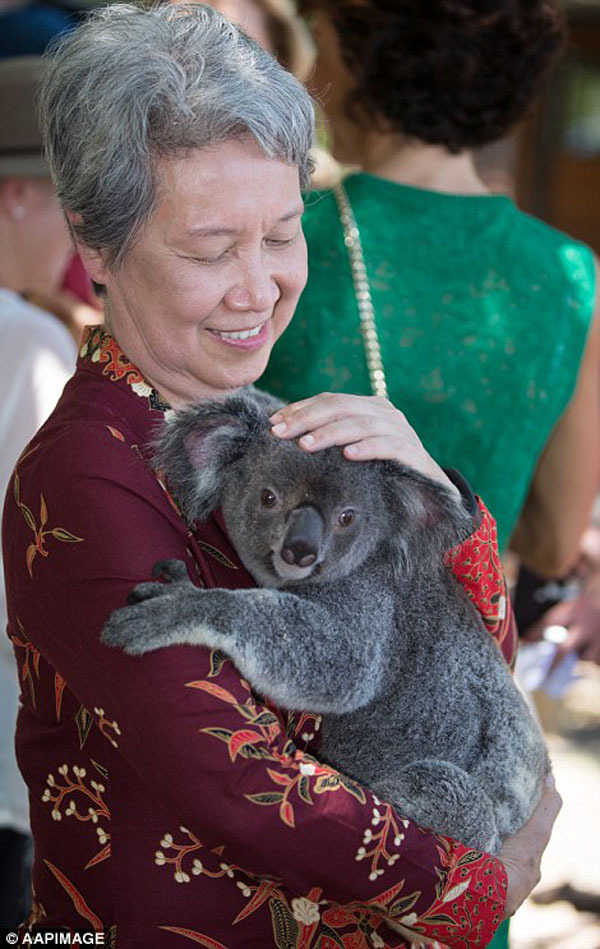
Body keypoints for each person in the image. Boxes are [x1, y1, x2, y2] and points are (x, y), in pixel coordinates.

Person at [1, 5, 560, 945]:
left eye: (282, 236)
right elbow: (239, 786)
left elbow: (450, 664)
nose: (259, 288)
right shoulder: (89, 477)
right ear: (95, 245)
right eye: (211, 248)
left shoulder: (280, 428)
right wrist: (481, 885)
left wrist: (434, 505)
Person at [260, 0, 600, 581]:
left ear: (364, 55)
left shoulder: (283, 234)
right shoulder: (572, 276)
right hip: (463, 643)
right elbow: (553, 543)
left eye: (323, 41)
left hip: (273, 631)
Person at [0, 54, 79, 928]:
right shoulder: (25, 340)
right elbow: (41, 563)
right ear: (18, 194)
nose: (74, 232)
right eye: (64, 199)